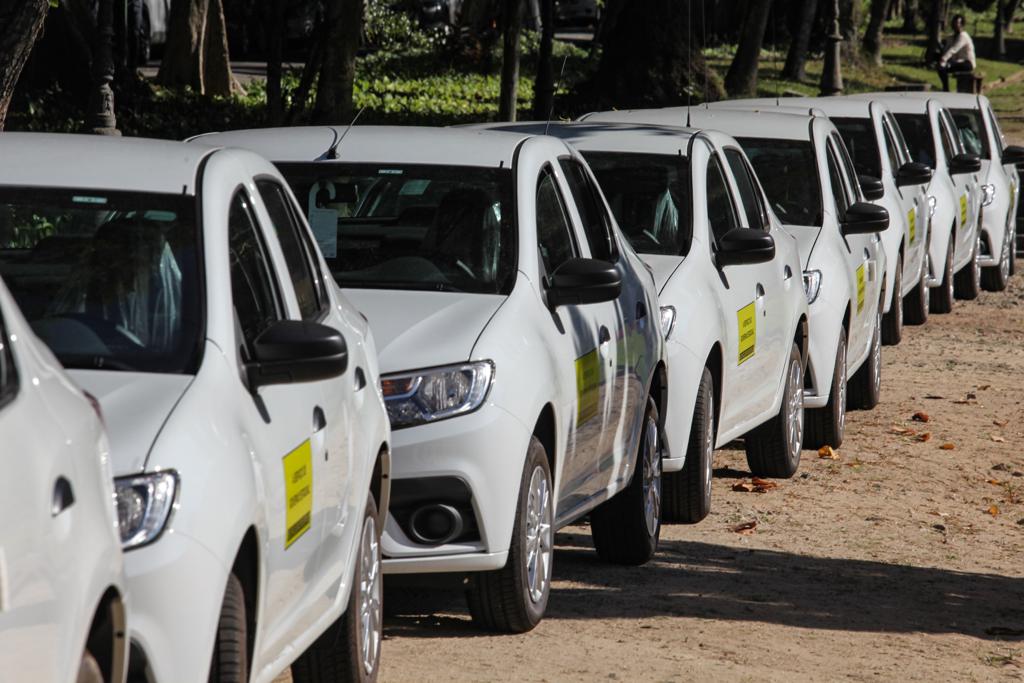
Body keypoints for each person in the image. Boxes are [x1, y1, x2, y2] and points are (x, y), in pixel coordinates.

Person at [936, 14, 976, 92]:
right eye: (955, 23)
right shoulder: (952, 37)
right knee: (940, 67)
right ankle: (945, 88)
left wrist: (943, 59)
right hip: (957, 61)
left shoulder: (963, 36)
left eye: (958, 23)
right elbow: (947, 49)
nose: (956, 25)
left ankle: (946, 90)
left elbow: (954, 49)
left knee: (945, 65)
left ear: (962, 25)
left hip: (967, 63)